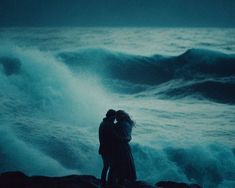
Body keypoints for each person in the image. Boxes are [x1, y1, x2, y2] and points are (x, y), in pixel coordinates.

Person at [111, 110, 137, 185]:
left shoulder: (119, 125)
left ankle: (119, 180)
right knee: (127, 162)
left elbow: (115, 136)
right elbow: (129, 137)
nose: (115, 119)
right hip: (125, 146)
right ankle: (126, 179)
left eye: (116, 117)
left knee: (119, 163)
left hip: (119, 146)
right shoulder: (128, 124)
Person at [98, 109, 116, 187]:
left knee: (106, 166)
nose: (115, 119)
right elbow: (114, 136)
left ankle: (103, 182)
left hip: (103, 148)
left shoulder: (103, 123)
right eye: (114, 117)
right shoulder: (109, 125)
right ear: (111, 116)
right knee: (111, 166)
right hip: (108, 149)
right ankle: (109, 183)